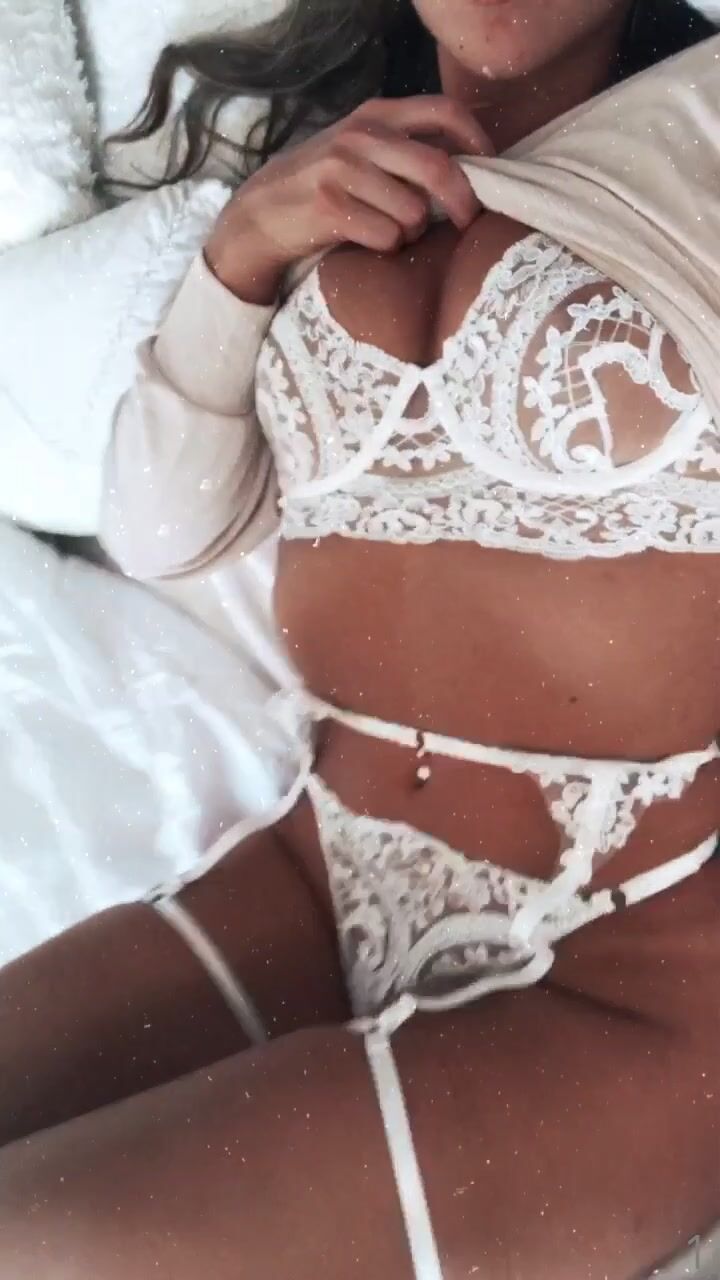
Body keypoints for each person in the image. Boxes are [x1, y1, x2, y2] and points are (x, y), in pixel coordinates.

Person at [2, 1, 720, 1276]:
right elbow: (160, 530)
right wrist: (241, 249)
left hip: (633, 965)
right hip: (317, 870)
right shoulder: (321, 184)